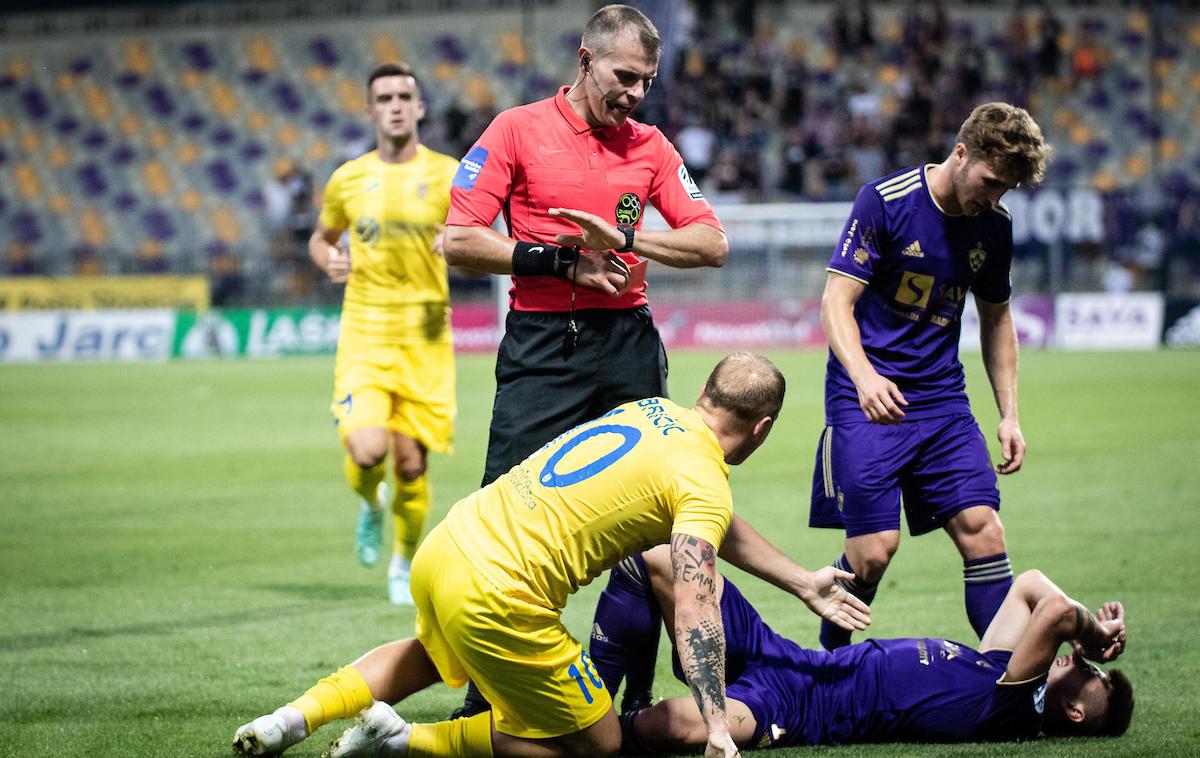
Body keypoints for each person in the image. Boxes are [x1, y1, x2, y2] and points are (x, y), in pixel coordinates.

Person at [231, 354, 870, 758]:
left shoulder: (651, 411)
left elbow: (706, 523)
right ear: (762, 428)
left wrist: (798, 582)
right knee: (601, 742)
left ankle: (291, 719)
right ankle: (405, 741)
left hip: (450, 544)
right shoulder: (703, 480)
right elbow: (697, 598)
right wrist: (718, 723)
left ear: (707, 395)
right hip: (501, 595)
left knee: (430, 653)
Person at [442, 2, 728, 716]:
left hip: (629, 343)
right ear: (585, 60)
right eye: (624, 76)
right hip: (544, 343)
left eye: (646, 81)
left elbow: (711, 242)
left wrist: (631, 244)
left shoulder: (651, 146)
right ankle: (486, 701)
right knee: (500, 523)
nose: (634, 93)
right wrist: (563, 260)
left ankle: (637, 693)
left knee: (651, 526)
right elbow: (459, 239)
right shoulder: (516, 130)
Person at [809, 102, 1052, 651]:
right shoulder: (885, 202)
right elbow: (835, 303)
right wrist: (866, 378)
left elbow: (996, 317)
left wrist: (1010, 414)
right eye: (991, 182)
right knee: (872, 551)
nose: (993, 198)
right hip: (866, 394)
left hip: (941, 400)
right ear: (961, 153)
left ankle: (1006, 683)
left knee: (985, 533)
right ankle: (829, 668)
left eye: (1005, 191)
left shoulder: (994, 226)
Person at [593, 545, 1133, 752]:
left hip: (797, 711)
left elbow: (1058, 615)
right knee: (661, 557)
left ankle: (596, 731)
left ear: (1075, 712)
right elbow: (1031, 584)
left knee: (677, 727)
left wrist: (1095, 633)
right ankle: (617, 691)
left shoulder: (1012, 707)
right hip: (792, 661)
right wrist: (1088, 628)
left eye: (1091, 675)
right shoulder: (999, 667)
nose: (1081, 660)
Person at [308, 63, 459, 604]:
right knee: (368, 451)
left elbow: (482, 234)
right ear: (370, 109)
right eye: (384, 97)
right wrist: (329, 258)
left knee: (411, 463)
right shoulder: (349, 178)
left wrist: (457, 244)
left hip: (424, 334)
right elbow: (321, 238)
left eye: (404, 96)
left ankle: (402, 563)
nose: (395, 105)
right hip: (366, 332)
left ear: (419, 108)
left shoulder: (449, 173)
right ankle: (371, 504)